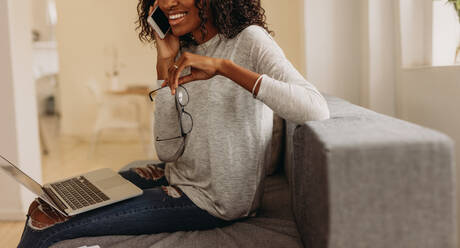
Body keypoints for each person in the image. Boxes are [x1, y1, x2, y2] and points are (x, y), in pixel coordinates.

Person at [17, 0, 330, 247]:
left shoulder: (249, 41)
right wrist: (163, 65)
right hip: (175, 174)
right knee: (48, 200)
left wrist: (224, 68)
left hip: (213, 201)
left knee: (47, 223)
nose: (167, 3)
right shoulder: (184, 51)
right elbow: (168, 150)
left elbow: (314, 109)